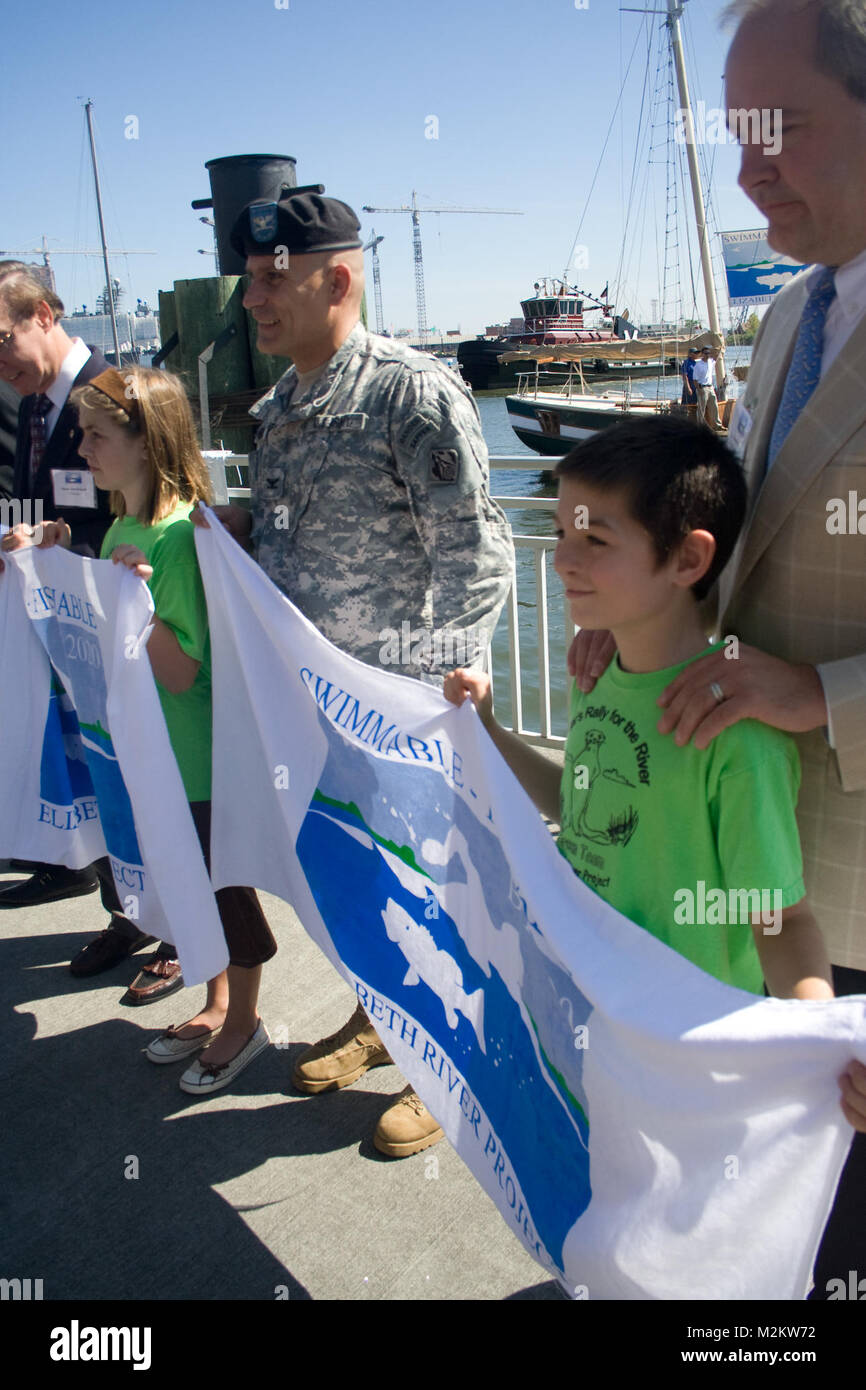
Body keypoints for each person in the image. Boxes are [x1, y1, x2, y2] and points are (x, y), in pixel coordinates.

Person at [571, 0, 866, 1296]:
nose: (743, 165)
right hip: (748, 891)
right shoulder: (792, 315)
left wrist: (821, 694)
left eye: (781, 128)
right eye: (734, 130)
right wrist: (640, 638)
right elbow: (737, 553)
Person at [196, 190, 514, 1154]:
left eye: (268, 280)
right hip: (314, 708)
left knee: (429, 895)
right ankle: (383, 1023)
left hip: (399, 711)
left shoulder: (411, 395)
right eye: (248, 281)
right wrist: (200, 542)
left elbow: (479, 555)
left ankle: (450, 1067)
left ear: (335, 279)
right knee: (355, 887)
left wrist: (453, 682)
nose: (252, 299)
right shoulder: (284, 403)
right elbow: (287, 545)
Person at [445, 415, 865, 1144]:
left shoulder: (739, 739)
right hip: (591, 1013)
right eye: (564, 533)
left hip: (685, 1055)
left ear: (688, 559)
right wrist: (487, 731)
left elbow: (782, 921)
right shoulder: (596, 675)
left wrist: (817, 1037)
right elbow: (575, 803)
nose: (563, 561)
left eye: (595, 541)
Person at [3, 367, 278, 1093]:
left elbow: (186, 672)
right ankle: (218, 1002)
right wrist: (60, 559)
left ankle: (245, 1021)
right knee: (183, 879)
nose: (83, 449)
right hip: (149, 756)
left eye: (97, 436)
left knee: (222, 888)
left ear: (145, 442)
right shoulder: (125, 526)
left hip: (191, 759)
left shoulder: (181, 538)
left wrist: (141, 603)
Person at [0, 262, 114, 911]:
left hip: (113, 627)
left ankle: (178, 939)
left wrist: (67, 543)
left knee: (132, 780)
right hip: (53, 626)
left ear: (43, 314)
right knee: (90, 774)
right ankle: (120, 910)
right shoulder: (33, 403)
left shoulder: (114, 392)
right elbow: (31, 505)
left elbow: (151, 517)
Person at [691, 347, 721, 428]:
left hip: (710, 387)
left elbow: (717, 355)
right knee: (701, 408)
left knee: (714, 406)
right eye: (706, 353)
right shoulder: (698, 365)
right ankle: (700, 426)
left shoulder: (711, 362)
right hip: (702, 387)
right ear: (702, 354)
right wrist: (698, 389)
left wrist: (718, 348)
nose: (707, 355)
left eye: (708, 353)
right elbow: (695, 379)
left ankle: (718, 425)